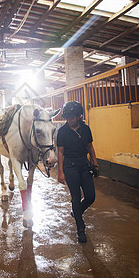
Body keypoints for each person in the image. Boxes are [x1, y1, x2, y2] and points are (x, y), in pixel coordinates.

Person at [57, 101, 98, 243]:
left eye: (72, 117)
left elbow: (90, 147)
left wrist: (95, 163)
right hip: (70, 166)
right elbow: (60, 152)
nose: (69, 119)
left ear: (79, 116)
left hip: (84, 164)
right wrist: (60, 172)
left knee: (90, 196)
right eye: (67, 117)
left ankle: (77, 211)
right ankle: (80, 229)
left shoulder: (86, 129)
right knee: (75, 196)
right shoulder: (62, 131)